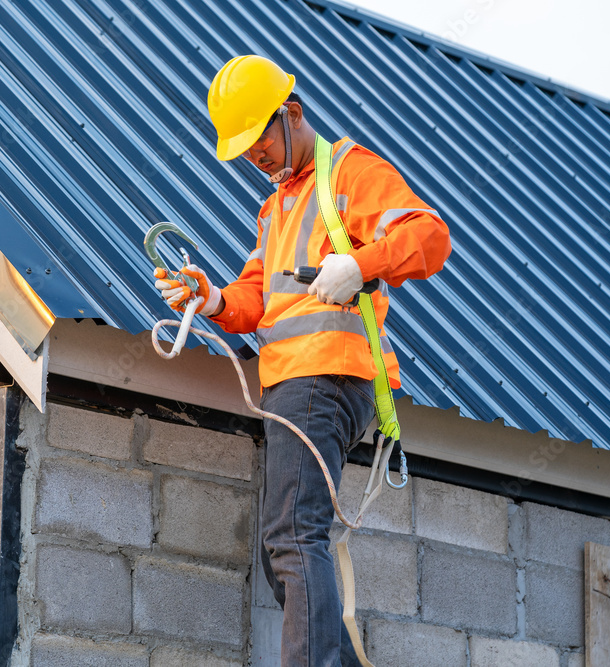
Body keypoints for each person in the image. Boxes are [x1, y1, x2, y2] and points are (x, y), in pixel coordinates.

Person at [154, 54, 452, 666]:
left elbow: (430, 236)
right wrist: (211, 297)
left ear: (290, 114)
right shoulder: (277, 207)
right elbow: (257, 298)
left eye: (257, 140)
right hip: (293, 385)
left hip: (324, 376)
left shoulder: (350, 172)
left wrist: (359, 266)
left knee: (293, 538)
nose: (252, 157)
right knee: (284, 550)